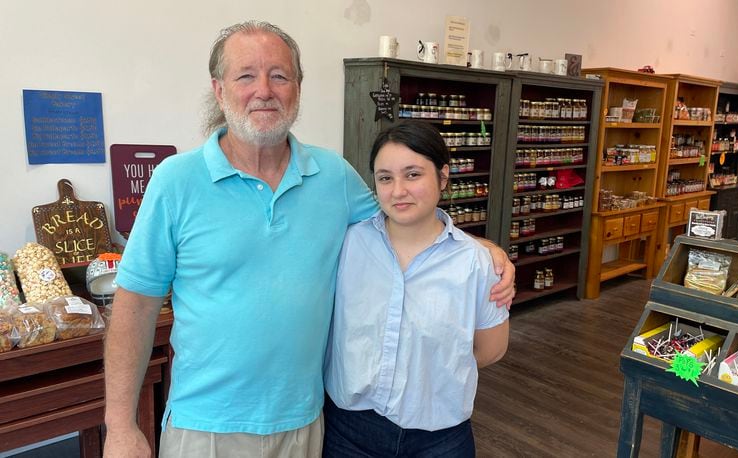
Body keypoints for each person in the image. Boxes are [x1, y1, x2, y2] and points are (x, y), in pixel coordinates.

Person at [103, 21, 515, 457]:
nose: (264, 89)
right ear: (219, 90)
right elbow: (135, 306)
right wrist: (120, 427)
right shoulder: (176, 181)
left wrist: (479, 248)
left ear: (298, 88)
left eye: (279, 75)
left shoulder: (333, 177)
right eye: (246, 75)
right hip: (207, 426)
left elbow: (406, 217)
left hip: (307, 423)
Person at [323, 121, 510, 457]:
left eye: (413, 174)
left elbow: (490, 349)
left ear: (443, 176)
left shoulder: (476, 264)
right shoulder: (348, 244)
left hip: (438, 438)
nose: (398, 191)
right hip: (349, 431)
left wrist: (430, 369)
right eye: (385, 178)